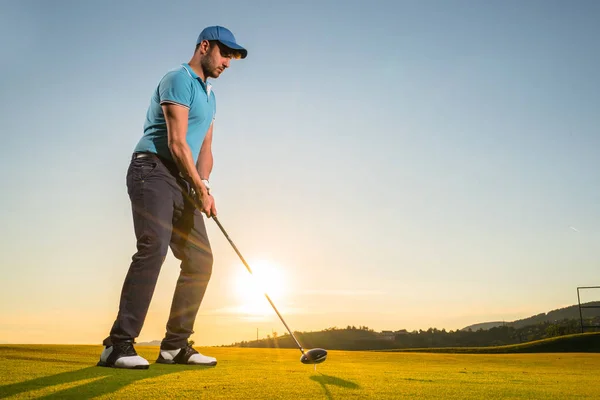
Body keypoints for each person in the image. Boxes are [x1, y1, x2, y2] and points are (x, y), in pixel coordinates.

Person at [97, 26, 247, 369]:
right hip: (152, 170)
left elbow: (204, 148)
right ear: (205, 46)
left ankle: (174, 347)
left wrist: (204, 183)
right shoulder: (177, 79)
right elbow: (178, 143)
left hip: (183, 179)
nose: (227, 63)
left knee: (200, 259)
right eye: (225, 54)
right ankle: (117, 346)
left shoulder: (209, 96)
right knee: (154, 247)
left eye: (232, 58)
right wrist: (196, 185)